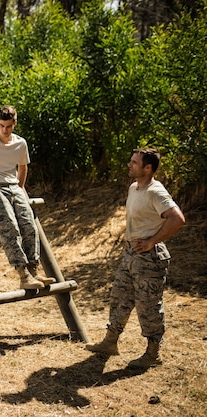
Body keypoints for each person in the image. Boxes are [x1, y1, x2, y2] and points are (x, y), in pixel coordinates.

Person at [86, 148, 185, 368]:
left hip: (149, 258)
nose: (129, 165)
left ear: (147, 168)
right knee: (119, 297)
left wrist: (152, 241)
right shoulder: (134, 187)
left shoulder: (155, 191)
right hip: (131, 255)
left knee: (148, 306)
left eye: (134, 162)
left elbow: (177, 218)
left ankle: (152, 354)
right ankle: (110, 342)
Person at [0, 105, 55, 290]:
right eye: (1, 126)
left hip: (14, 186)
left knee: (29, 225)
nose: (4, 130)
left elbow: (23, 167)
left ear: (14, 123)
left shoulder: (20, 143)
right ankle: (23, 274)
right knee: (10, 227)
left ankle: (34, 270)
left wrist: (20, 188)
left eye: (8, 126)